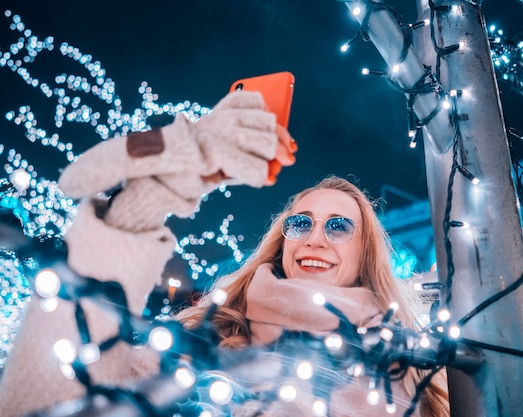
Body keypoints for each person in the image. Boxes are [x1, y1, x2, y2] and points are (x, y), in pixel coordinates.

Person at [0, 91, 448, 417]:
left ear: (365, 254)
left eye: (337, 226)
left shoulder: (414, 370)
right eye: (300, 223)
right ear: (283, 239)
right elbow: (52, 403)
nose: (314, 238)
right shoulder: (205, 342)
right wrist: (134, 217)